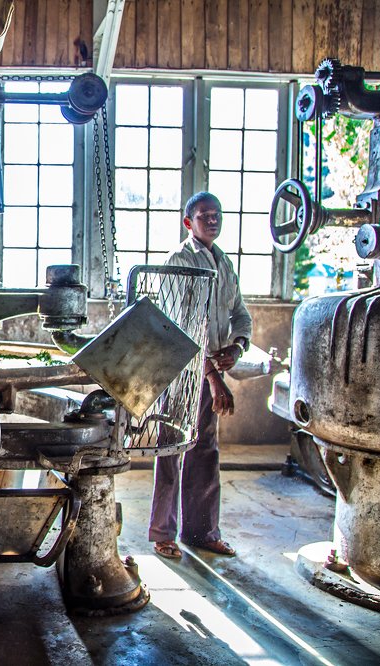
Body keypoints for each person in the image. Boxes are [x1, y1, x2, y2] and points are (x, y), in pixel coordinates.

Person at [149, 191, 252, 560]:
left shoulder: (223, 262)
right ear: (188, 223)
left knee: (205, 450)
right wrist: (212, 375)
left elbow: (240, 313)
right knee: (172, 449)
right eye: (204, 215)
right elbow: (180, 327)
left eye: (217, 213)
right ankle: (163, 533)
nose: (213, 219)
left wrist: (237, 347)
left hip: (211, 374)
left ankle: (202, 531)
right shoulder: (180, 260)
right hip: (183, 373)